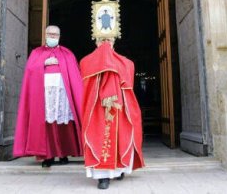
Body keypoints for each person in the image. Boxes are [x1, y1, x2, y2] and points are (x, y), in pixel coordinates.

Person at [13, 25, 83, 167]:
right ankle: (48, 156)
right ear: (45, 35)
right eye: (50, 34)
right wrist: (44, 63)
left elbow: (75, 75)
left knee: (65, 125)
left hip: (63, 96)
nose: (52, 36)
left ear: (59, 36)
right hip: (44, 96)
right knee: (47, 125)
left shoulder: (67, 54)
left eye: (55, 34)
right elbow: (30, 71)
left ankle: (64, 154)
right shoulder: (37, 53)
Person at [81, 38, 145, 190]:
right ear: (95, 42)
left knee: (121, 137)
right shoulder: (87, 62)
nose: (105, 43)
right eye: (101, 40)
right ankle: (103, 177)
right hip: (97, 109)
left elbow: (128, 84)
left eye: (108, 40)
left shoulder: (125, 63)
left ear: (114, 42)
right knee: (100, 139)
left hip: (119, 108)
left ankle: (120, 169)